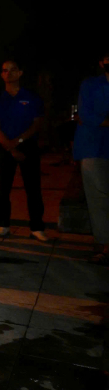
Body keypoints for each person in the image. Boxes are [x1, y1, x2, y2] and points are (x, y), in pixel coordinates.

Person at [0, 60, 46, 241]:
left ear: (20, 73)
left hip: (27, 145)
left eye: (13, 70)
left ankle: (37, 227)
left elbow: (37, 124)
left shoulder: (31, 98)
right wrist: (11, 147)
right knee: (3, 189)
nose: (9, 73)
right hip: (4, 146)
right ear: (2, 74)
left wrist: (19, 141)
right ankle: (3, 225)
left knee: (33, 188)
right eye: (5, 70)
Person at [73, 52, 109, 265]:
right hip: (93, 149)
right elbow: (86, 115)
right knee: (98, 199)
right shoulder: (90, 85)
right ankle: (103, 244)